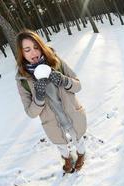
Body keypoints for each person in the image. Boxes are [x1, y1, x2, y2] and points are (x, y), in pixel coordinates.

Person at [15, 29, 87, 173]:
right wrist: (39, 97)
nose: (33, 53)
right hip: (53, 123)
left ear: (41, 46)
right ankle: (67, 158)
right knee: (61, 144)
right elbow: (31, 112)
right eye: (27, 49)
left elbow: (78, 86)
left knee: (78, 138)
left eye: (36, 47)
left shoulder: (56, 62)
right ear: (21, 53)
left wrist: (63, 80)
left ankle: (81, 154)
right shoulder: (22, 79)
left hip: (72, 114)